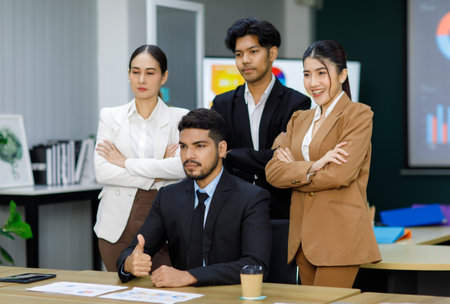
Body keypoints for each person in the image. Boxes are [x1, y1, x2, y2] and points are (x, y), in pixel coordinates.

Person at [265, 40, 381, 288]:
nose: (313, 82)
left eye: (321, 73)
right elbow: (273, 172)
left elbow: (340, 175)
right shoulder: (299, 119)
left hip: (338, 235)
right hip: (302, 238)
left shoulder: (358, 115)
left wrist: (294, 171)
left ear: (342, 75)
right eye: (307, 74)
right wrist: (314, 166)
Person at [117, 108, 272, 287]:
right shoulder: (168, 197)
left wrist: (190, 276)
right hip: (183, 297)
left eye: (199, 146)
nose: (189, 155)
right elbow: (134, 249)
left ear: (221, 149)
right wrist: (128, 264)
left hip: (231, 296)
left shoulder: (251, 198)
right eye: (183, 147)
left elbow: (256, 264)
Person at [94, 45, 188, 272]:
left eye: (150, 72)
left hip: (163, 217)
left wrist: (124, 162)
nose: (141, 79)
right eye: (135, 72)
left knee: (163, 290)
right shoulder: (110, 116)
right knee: (120, 291)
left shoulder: (181, 117)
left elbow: (180, 168)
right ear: (128, 75)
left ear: (164, 77)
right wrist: (156, 175)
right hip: (116, 224)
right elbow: (102, 171)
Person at [211, 17, 311, 219]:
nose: (245, 60)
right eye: (239, 54)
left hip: (281, 210)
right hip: (233, 210)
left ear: (272, 53)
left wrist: (233, 154)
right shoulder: (222, 104)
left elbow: (287, 161)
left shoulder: (297, 104)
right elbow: (215, 156)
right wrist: (266, 156)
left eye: (253, 52)